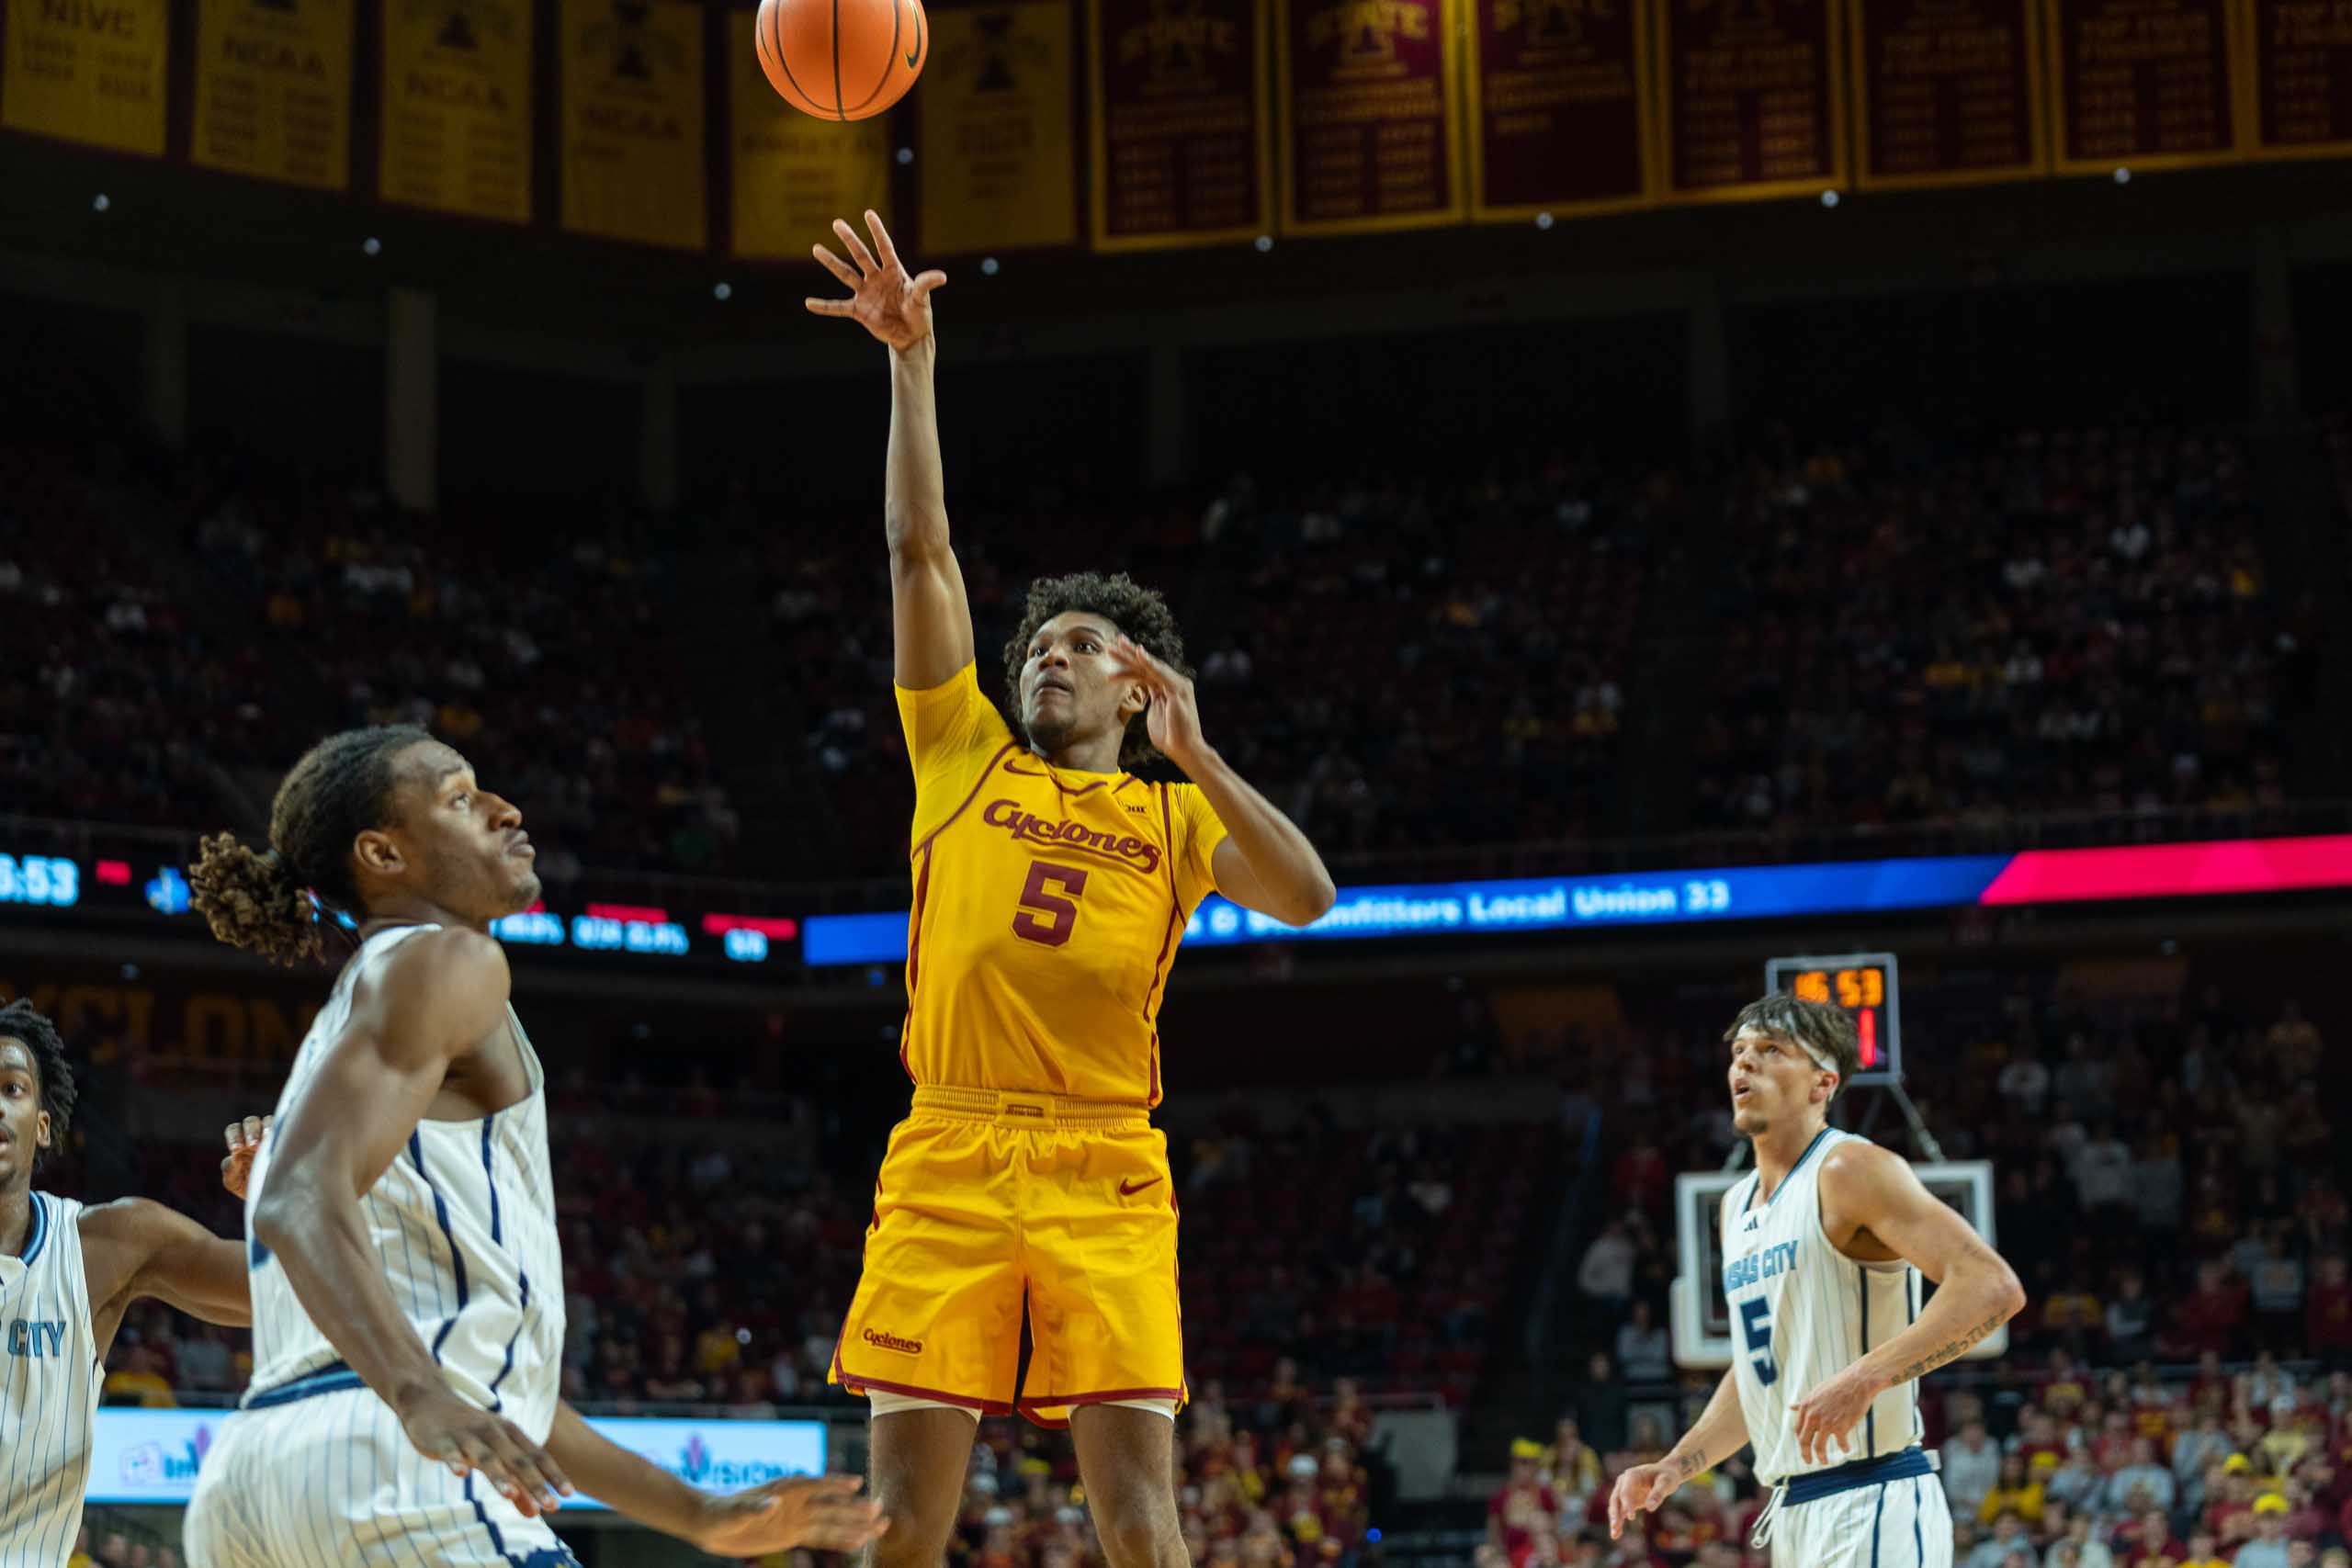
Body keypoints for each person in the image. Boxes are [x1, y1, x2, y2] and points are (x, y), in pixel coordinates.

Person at [804, 211, 1336, 1568]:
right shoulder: (959, 754)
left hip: (1105, 1155)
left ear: (1137, 682)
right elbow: (919, 553)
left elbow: (1308, 894)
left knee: (1137, 1516)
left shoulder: (1173, 815)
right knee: (903, 1523)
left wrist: (1202, 750)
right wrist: (909, 365)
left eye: (1084, 642)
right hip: (951, 1147)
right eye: (1040, 640)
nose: (1051, 654)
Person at [175, 728, 886, 1568]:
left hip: (255, 1478)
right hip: (392, 1468)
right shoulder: (448, 960)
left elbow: (498, 1387)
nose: (504, 807)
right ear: (383, 853)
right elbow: (298, 1200)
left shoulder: (359, 1028)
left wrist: (698, 1514)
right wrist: (421, 1395)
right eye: (458, 797)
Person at [1607, 995, 2028, 1566]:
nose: (1744, 1064)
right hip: (1794, 1509)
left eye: (1771, 1050)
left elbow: (1991, 1287)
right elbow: (1763, 1372)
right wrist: (1677, 1465)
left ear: (1823, 1082)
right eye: (1739, 1052)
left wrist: (1865, 1377)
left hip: (1872, 1495)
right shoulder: (1735, 1207)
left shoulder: (1849, 1169)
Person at [0, 1001, 264, 1566]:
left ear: (42, 1127)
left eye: (11, 1088)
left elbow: (282, 1292)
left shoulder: (104, 1247)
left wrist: (285, 1196)